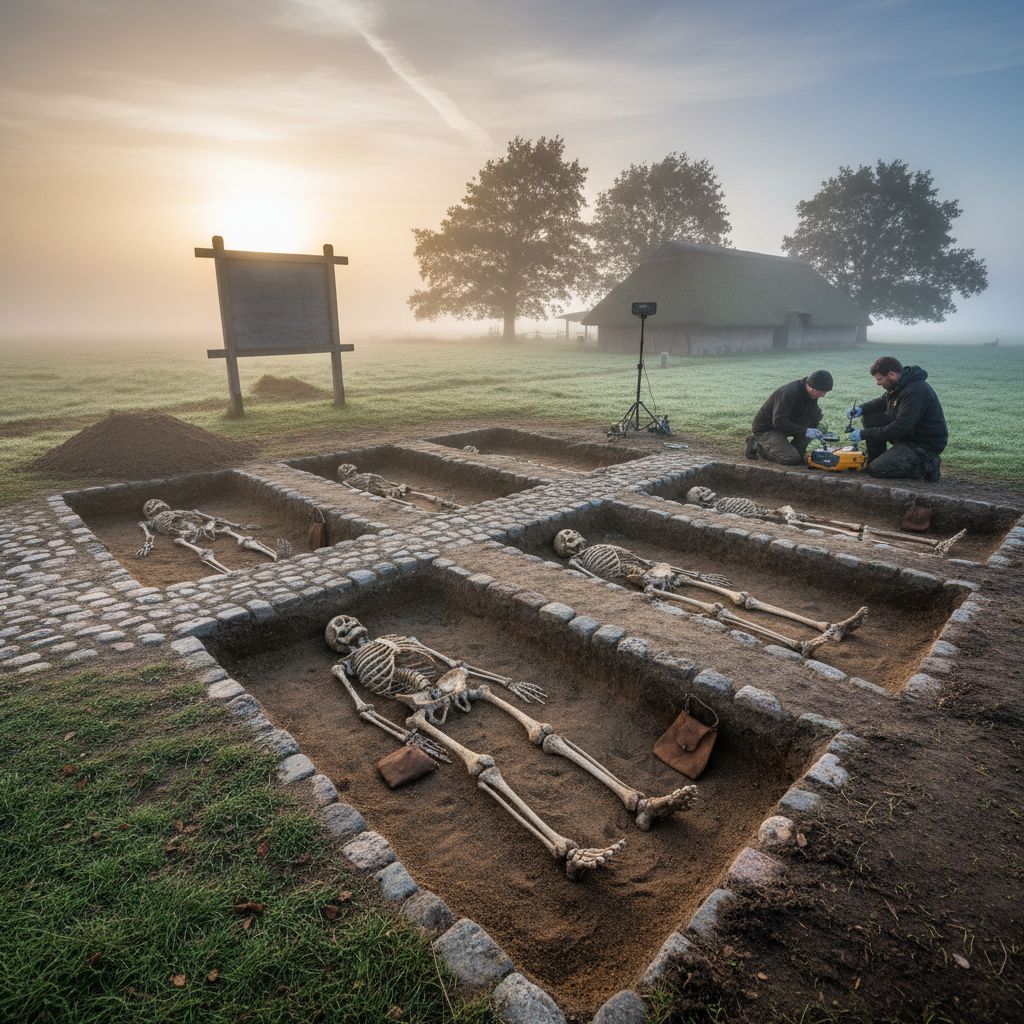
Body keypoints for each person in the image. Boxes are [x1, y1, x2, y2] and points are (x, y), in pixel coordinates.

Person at [847, 357, 947, 481]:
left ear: (892, 374)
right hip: (908, 435)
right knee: (871, 417)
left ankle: (928, 466)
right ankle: (878, 458)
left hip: (923, 443)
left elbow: (901, 427)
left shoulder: (915, 391)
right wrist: (861, 409)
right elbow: (883, 401)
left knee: (877, 469)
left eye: (879, 379)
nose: (878, 383)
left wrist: (864, 434)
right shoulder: (898, 385)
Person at [745, 370, 833, 465]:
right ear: (812, 388)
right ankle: (757, 443)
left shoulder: (810, 394)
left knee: (801, 451)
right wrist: (805, 431)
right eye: (822, 392)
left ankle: (794, 451)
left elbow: (812, 413)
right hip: (768, 428)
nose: (823, 395)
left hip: (788, 423)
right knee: (790, 458)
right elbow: (779, 421)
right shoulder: (789, 393)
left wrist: (816, 425)